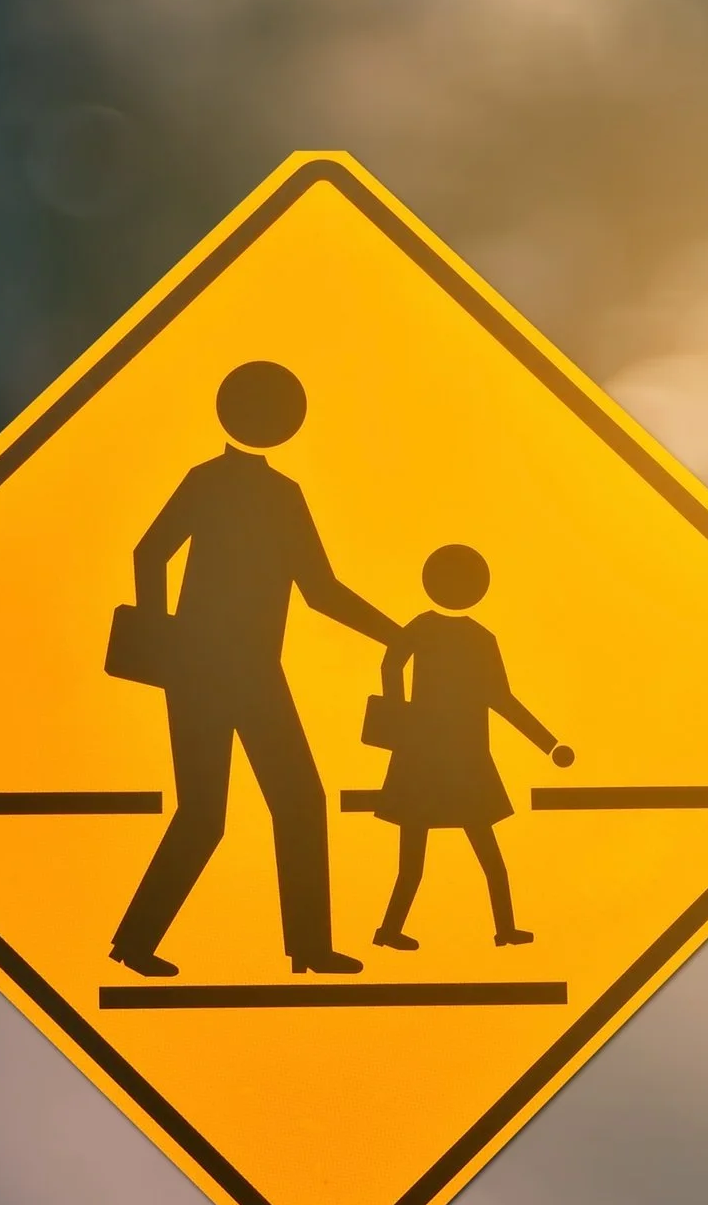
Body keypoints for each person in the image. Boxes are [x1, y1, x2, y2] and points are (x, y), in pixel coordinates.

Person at [109, 362, 397, 979]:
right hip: (212, 670)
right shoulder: (233, 486)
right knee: (219, 812)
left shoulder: (262, 491)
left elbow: (317, 590)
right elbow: (150, 552)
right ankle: (139, 943)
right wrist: (165, 641)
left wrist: (394, 634)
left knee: (286, 803)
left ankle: (306, 949)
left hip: (239, 671)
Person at [370, 544, 571, 950]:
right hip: (440, 760)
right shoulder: (451, 633)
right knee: (428, 860)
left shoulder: (463, 635)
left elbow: (500, 698)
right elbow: (392, 665)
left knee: (472, 856)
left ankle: (503, 929)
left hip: (453, 760)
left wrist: (547, 743)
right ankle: (391, 931)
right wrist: (400, 715)